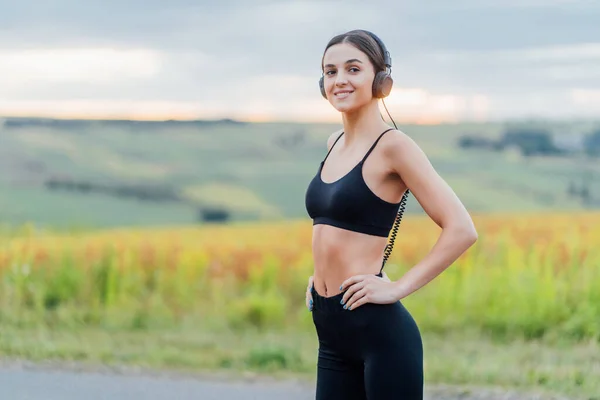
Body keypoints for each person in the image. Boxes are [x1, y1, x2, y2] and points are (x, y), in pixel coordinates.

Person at [303, 29, 478, 399]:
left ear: (381, 81)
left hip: (379, 335)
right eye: (330, 71)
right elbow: (336, 227)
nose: (340, 80)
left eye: (353, 69)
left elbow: (461, 228)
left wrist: (398, 287)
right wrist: (321, 278)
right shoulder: (333, 143)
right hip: (330, 329)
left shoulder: (394, 146)